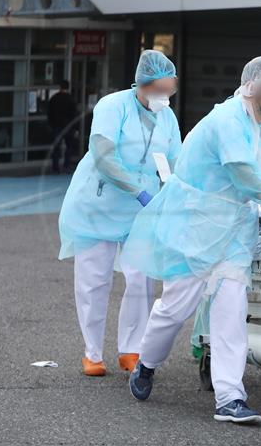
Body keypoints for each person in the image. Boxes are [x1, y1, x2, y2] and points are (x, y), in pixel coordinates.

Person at [121, 55, 261, 425]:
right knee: (175, 308)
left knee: (230, 310)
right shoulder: (227, 121)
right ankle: (146, 365)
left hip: (235, 230)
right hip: (196, 224)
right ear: (252, 87)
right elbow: (249, 182)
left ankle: (230, 398)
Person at [58, 50, 182, 377]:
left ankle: (131, 349)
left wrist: (175, 195)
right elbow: (103, 157)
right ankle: (92, 353)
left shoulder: (167, 116)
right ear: (142, 84)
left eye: (169, 91)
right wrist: (137, 190)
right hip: (98, 206)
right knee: (93, 281)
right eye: (158, 91)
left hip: (141, 212)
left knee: (141, 278)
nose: (163, 98)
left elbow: (176, 161)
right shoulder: (113, 107)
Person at [48, 80, 78, 173]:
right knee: (69, 147)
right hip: (68, 127)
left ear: (60, 87)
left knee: (56, 147)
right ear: (68, 88)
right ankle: (66, 165)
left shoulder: (54, 98)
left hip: (56, 126)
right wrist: (76, 128)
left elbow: (49, 113)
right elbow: (74, 115)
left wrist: (51, 125)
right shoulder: (71, 99)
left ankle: (55, 167)